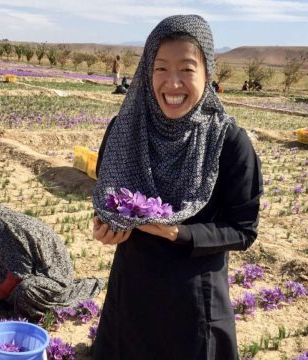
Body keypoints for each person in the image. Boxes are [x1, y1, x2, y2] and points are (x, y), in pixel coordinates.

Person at [92, 14, 263, 360]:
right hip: (131, 298)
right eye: (160, 69)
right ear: (146, 72)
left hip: (194, 306)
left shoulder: (227, 140)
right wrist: (104, 226)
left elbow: (243, 230)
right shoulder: (124, 130)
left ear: (207, 74)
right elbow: (107, 200)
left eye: (187, 69)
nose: (172, 83)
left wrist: (176, 233)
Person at [0, 201, 103, 320]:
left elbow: (20, 272)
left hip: (51, 278)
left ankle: (33, 307)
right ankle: (9, 297)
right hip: (30, 270)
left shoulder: (13, 234)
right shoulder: (0, 228)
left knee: (26, 291)